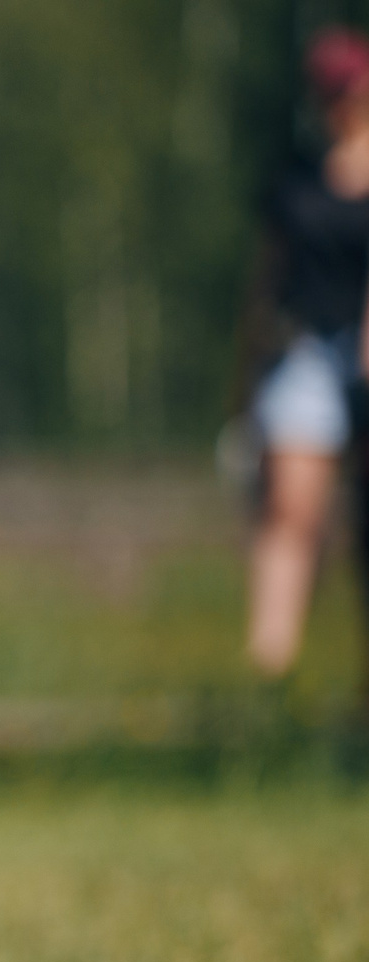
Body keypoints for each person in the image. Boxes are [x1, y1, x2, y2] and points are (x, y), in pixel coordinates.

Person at [247, 27, 369, 681]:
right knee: (289, 511)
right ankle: (270, 671)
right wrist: (247, 373)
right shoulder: (295, 178)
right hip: (307, 352)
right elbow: (268, 275)